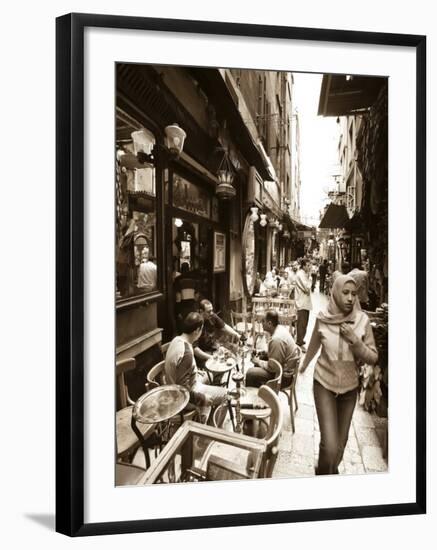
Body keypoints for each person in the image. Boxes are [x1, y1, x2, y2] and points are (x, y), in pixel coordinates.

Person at [299, 275, 378, 475]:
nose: (351, 298)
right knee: (330, 445)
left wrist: (356, 342)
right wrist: (302, 366)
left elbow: (373, 357)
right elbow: (314, 344)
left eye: (354, 294)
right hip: (323, 384)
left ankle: (326, 470)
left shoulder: (362, 321)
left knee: (340, 446)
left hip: (349, 390)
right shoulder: (323, 317)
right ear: (335, 293)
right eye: (345, 293)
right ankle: (326, 478)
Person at [165, 312, 227, 422]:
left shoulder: (177, 339)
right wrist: (202, 398)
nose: (202, 332)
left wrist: (195, 371)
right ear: (197, 331)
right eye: (201, 329)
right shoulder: (186, 353)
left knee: (209, 375)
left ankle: (204, 414)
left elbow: (180, 370)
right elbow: (183, 389)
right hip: (181, 398)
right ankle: (210, 430)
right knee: (227, 395)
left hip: (173, 387)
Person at [246, 309, 299, 388]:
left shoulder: (276, 339)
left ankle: (259, 395)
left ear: (269, 323)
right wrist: (264, 352)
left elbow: (273, 368)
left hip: (283, 377)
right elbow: (278, 354)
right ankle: (261, 390)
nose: (261, 323)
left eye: (263, 321)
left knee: (250, 373)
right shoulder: (279, 329)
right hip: (283, 368)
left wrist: (258, 362)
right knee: (261, 357)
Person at [194, 299, 240, 369]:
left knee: (232, 357)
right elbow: (195, 350)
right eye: (209, 312)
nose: (211, 313)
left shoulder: (211, 316)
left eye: (212, 310)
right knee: (219, 365)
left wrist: (236, 334)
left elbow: (224, 326)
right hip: (203, 353)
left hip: (214, 348)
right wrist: (211, 357)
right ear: (201, 311)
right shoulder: (195, 323)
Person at [295, 259, 312, 352]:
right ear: (304, 266)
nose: (309, 267)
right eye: (308, 265)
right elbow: (307, 288)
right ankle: (299, 342)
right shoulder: (300, 274)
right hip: (301, 302)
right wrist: (310, 278)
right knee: (302, 323)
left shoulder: (303, 274)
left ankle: (301, 340)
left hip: (304, 302)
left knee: (304, 322)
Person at [174, 262, 199, 328]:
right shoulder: (194, 280)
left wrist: (177, 311)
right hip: (192, 306)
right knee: (192, 324)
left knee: (183, 325)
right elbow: (196, 297)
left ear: (181, 269)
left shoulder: (178, 280)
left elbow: (178, 297)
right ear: (188, 269)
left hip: (182, 307)